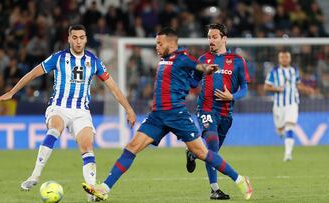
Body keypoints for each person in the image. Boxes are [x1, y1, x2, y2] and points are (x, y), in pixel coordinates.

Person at [81, 27, 252, 201]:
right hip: (157, 115)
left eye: (159, 43)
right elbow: (193, 80)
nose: (156, 46)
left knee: (203, 153)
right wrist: (195, 76)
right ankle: (104, 187)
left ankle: (239, 179)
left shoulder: (183, 57)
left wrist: (206, 68)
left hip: (177, 114)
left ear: (170, 44)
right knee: (131, 148)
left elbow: (198, 66)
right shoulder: (164, 59)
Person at [0, 24, 136, 202]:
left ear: (86, 39)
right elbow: (32, 74)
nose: (78, 41)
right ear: (69, 39)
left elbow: (113, 88)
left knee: (87, 146)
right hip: (58, 107)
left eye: (81, 37)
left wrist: (129, 109)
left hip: (81, 111)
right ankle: (34, 176)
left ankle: (92, 193)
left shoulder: (94, 61)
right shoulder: (58, 58)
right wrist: (12, 92)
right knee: (55, 128)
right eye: (74, 37)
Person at [185, 23, 250, 200]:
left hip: (225, 114)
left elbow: (244, 88)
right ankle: (214, 189)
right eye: (209, 37)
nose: (211, 40)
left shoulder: (237, 61)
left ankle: (192, 153)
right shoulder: (203, 59)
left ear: (224, 38)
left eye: (214, 37)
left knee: (211, 154)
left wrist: (233, 97)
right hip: (205, 108)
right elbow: (193, 83)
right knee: (212, 143)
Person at [264, 50, 313, 162]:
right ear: (279, 59)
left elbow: (298, 84)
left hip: (292, 103)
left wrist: (307, 89)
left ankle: (288, 154)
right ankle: (281, 132)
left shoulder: (294, 70)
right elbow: (266, 87)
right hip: (278, 104)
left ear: (290, 58)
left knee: (290, 126)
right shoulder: (274, 71)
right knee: (280, 128)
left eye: (286, 57)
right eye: (282, 57)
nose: (285, 59)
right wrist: (277, 89)